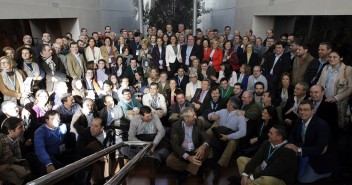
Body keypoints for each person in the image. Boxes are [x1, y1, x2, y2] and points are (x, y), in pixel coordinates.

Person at [286, 100, 339, 183]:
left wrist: (298, 150)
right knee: (291, 173)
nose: (302, 112)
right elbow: (292, 135)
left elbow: (319, 149)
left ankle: (328, 173)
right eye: (300, 109)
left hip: (319, 157)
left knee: (302, 179)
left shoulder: (322, 126)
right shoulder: (299, 120)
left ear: (313, 111)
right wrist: (291, 145)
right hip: (305, 151)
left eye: (306, 110)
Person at [228, 125, 297, 185]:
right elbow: (256, 158)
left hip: (277, 178)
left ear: (279, 137)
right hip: (263, 171)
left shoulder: (288, 151)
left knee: (265, 180)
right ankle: (246, 181)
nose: (268, 134)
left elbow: (272, 170)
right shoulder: (267, 143)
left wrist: (253, 177)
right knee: (241, 159)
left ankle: (246, 182)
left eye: (271, 133)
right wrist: (245, 174)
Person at [166, 107, 210, 183]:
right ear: (186, 119)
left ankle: (185, 173)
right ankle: (197, 167)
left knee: (208, 150)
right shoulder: (176, 125)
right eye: (193, 116)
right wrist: (188, 157)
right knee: (169, 161)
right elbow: (175, 145)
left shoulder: (198, 122)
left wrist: (203, 146)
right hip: (182, 151)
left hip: (195, 151)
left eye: (195, 115)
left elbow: (206, 139)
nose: (196, 117)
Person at [207, 97, 246, 178]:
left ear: (231, 106)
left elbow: (243, 132)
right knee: (210, 133)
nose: (226, 104)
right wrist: (211, 116)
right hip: (220, 133)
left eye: (228, 103)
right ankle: (210, 158)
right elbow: (211, 114)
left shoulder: (240, 116)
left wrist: (228, 137)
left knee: (232, 143)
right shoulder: (223, 111)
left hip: (230, 136)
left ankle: (220, 164)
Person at [76, 117, 122, 184]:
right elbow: (79, 149)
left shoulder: (109, 133)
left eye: (96, 126)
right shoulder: (83, 134)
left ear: (102, 128)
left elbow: (113, 149)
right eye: (91, 125)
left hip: (106, 161)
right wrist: (97, 155)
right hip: (89, 162)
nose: (92, 128)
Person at [317, 50, 352, 128]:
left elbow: (350, 88)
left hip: (337, 103)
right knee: (322, 124)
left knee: (335, 126)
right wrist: (315, 93)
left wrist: (336, 98)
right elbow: (319, 83)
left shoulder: (347, 69)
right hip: (324, 100)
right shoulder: (326, 67)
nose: (331, 59)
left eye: (334, 57)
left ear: (341, 58)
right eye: (330, 57)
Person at [34, 110, 71, 175]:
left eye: (58, 118)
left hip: (62, 152)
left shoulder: (63, 126)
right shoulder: (40, 132)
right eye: (53, 119)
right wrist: (48, 164)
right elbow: (40, 150)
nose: (57, 121)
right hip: (48, 156)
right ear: (47, 121)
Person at [0, 117, 30, 185]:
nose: (23, 129)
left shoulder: (16, 138)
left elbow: (18, 157)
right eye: (20, 127)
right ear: (10, 131)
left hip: (11, 166)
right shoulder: (1, 142)